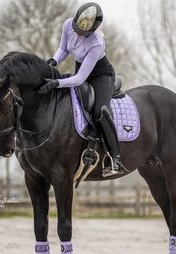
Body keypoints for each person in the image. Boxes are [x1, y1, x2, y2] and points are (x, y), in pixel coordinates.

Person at [40, 2, 124, 176]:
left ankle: (115, 158)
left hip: (101, 76)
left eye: (83, 32)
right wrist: (55, 60)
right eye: (77, 28)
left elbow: (79, 79)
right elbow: (64, 48)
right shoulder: (68, 24)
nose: (78, 33)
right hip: (81, 71)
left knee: (100, 110)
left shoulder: (97, 42)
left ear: (92, 29)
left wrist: (57, 83)